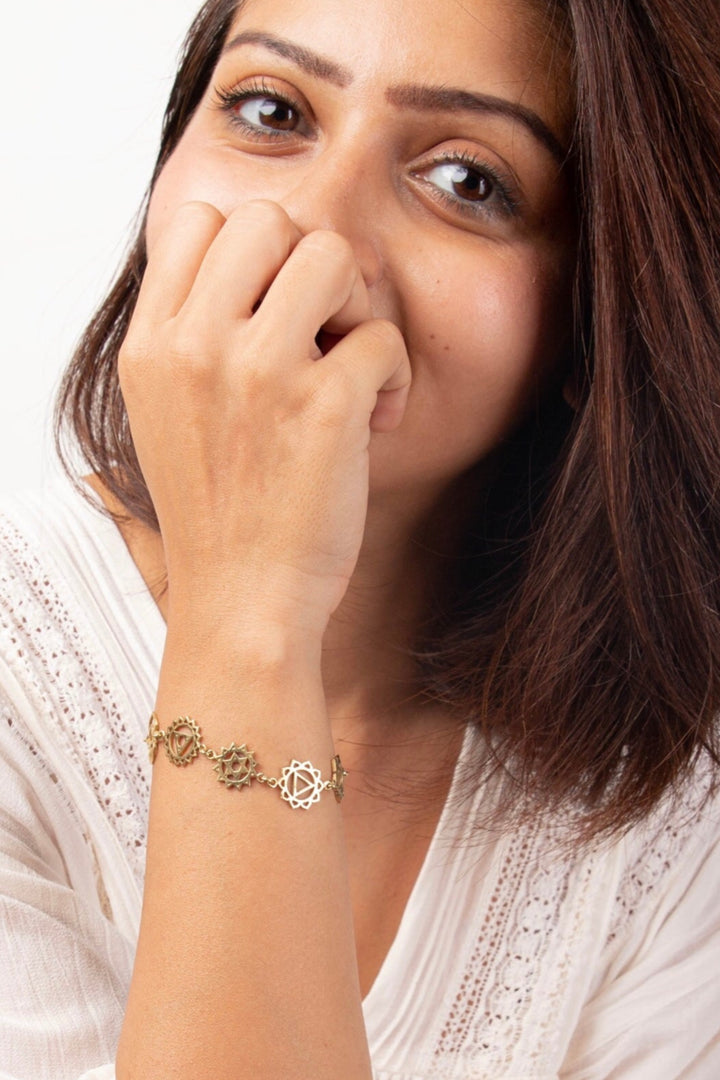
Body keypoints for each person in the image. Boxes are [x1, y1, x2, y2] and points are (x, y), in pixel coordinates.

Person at [2, 0, 720, 1076]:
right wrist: (251, 615)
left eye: (468, 180)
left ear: (595, 314)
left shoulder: (672, 802)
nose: (315, 239)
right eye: (270, 109)